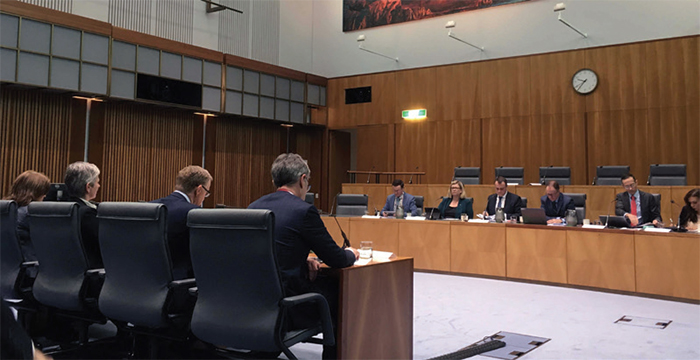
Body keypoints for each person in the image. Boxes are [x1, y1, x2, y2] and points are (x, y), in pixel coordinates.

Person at [248, 153, 358, 359]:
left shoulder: (252, 207)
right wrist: (351, 253)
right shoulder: (304, 211)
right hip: (287, 306)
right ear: (302, 179)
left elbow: (264, 251)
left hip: (252, 301)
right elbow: (336, 259)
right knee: (339, 294)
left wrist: (302, 258)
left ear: (274, 181)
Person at [151, 165, 212, 279]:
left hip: (144, 282)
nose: (205, 197)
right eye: (206, 193)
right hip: (180, 286)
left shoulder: (149, 208)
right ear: (199, 190)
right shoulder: (194, 214)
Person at [3, 171, 51, 261]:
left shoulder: (5, 209)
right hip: (30, 267)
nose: (44, 196)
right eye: (43, 192)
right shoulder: (29, 213)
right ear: (36, 193)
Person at [64, 161, 103, 269]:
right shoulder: (87, 214)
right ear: (88, 187)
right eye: (97, 182)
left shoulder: (61, 210)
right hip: (91, 275)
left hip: (63, 272)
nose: (99, 186)